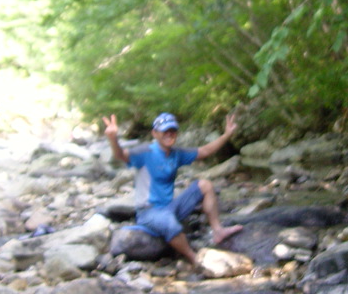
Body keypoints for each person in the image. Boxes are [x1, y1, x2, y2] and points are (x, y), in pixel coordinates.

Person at [103, 111, 243, 264]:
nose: (169, 134)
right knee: (169, 222)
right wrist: (113, 138)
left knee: (205, 185)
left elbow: (205, 151)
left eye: (172, 131)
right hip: (148, 212)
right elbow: (120, 155)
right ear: (155, 133)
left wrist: (226, 135)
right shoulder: (145, 152)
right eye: (165, 131)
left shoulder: (176, 153)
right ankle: (194, 259)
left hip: (170, 207)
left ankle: (218, 231)